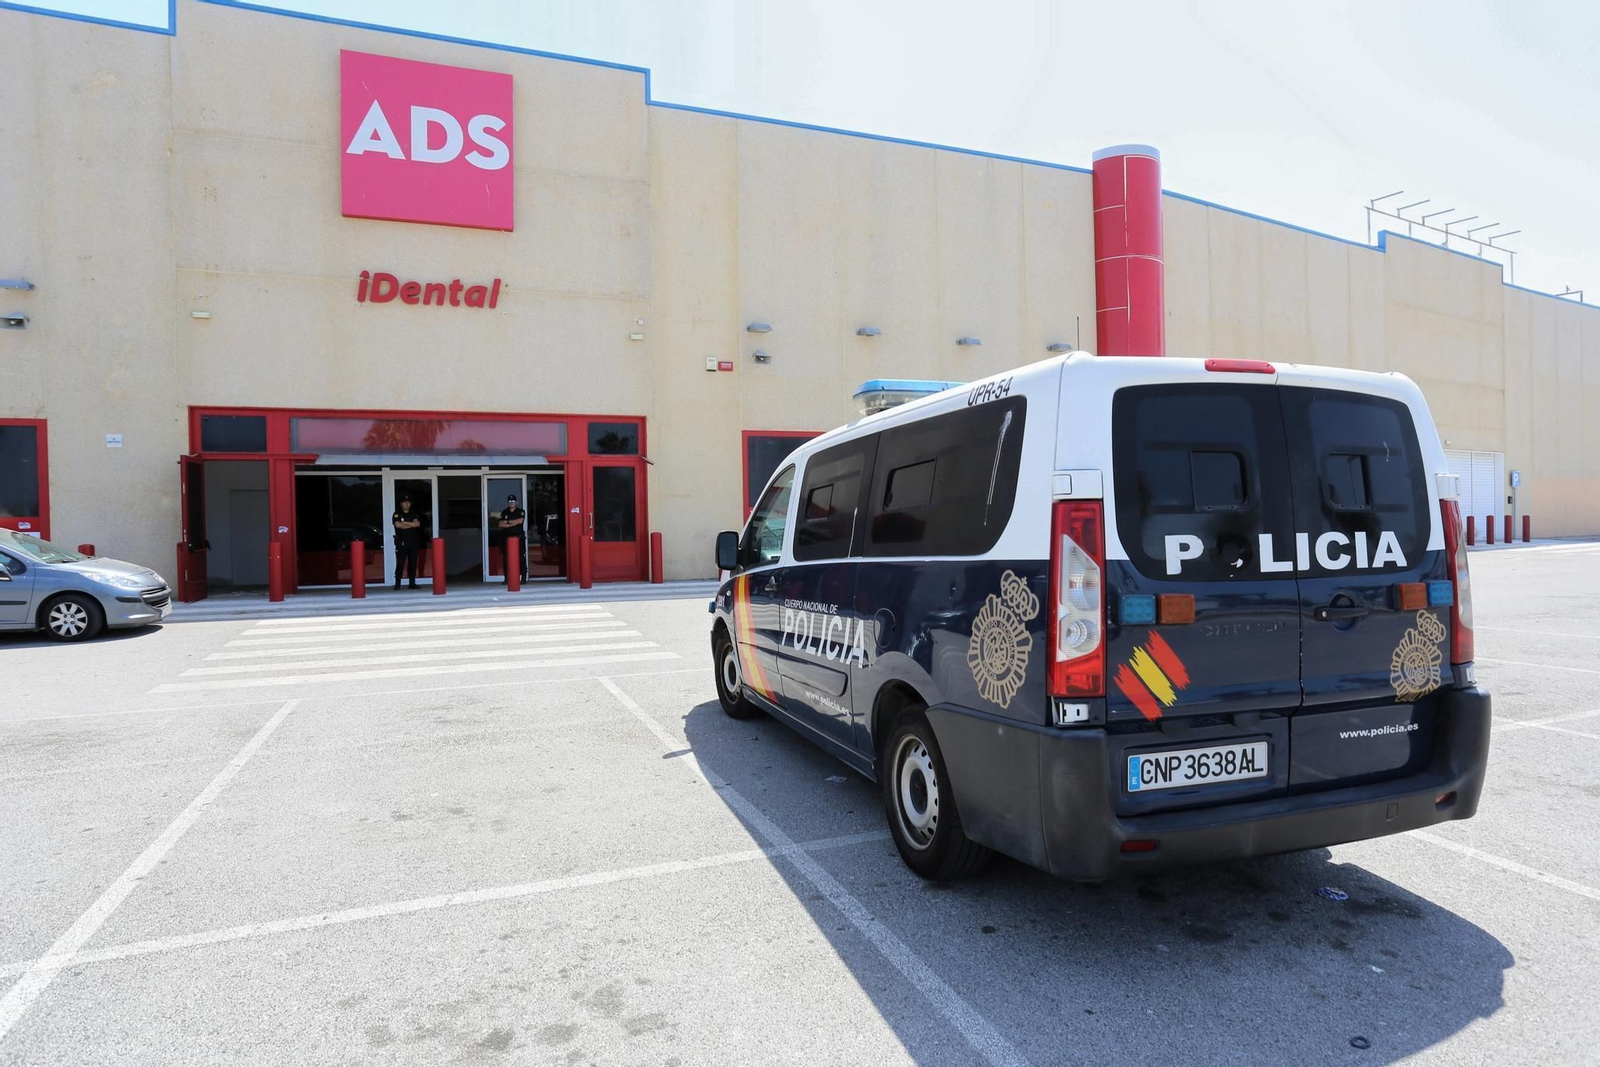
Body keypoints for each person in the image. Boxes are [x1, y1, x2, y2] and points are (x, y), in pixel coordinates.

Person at [392, 495, 425, 589]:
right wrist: (411, 524)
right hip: (402, 541)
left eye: (408, 502)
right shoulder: (397, 513)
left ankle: (412, 583)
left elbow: (417, 524)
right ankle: (397, 583)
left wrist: (405, 523)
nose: (407, 504)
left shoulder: (414, 513)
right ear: (401, 504)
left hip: (413, 541)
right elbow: (398, 525)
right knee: (401, 562)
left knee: (413, 562)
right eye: (405, 502)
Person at [497, 493, 527, 582]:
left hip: (518, 538)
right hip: (507, 539)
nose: (511, 503)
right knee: (506, 559)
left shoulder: (520, 511)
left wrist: (508, 522)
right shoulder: (504, 512)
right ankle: (506, 578)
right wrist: (513, 524)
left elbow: (520, 520)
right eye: (510, 501)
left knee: (521, 558)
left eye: (513, 501)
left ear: (516, 502)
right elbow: (500, 524)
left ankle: (523, 578)